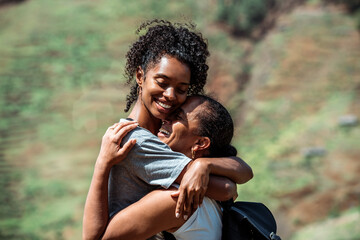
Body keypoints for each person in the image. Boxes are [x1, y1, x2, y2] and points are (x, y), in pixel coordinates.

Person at [82, 19, 253, 240]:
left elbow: (242, 174)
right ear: (140, 76)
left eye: (181, 89)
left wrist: (204, 163)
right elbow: (226, 189)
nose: (171, 95)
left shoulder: (157, 138)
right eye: (162, 82)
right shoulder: (138, 142)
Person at [93, 95, 246, 240]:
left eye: (178, 117)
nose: (166, 118)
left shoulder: (178, 199)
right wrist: (203, 165)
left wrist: (103, 163)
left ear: (200, 143)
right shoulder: (210, 193)